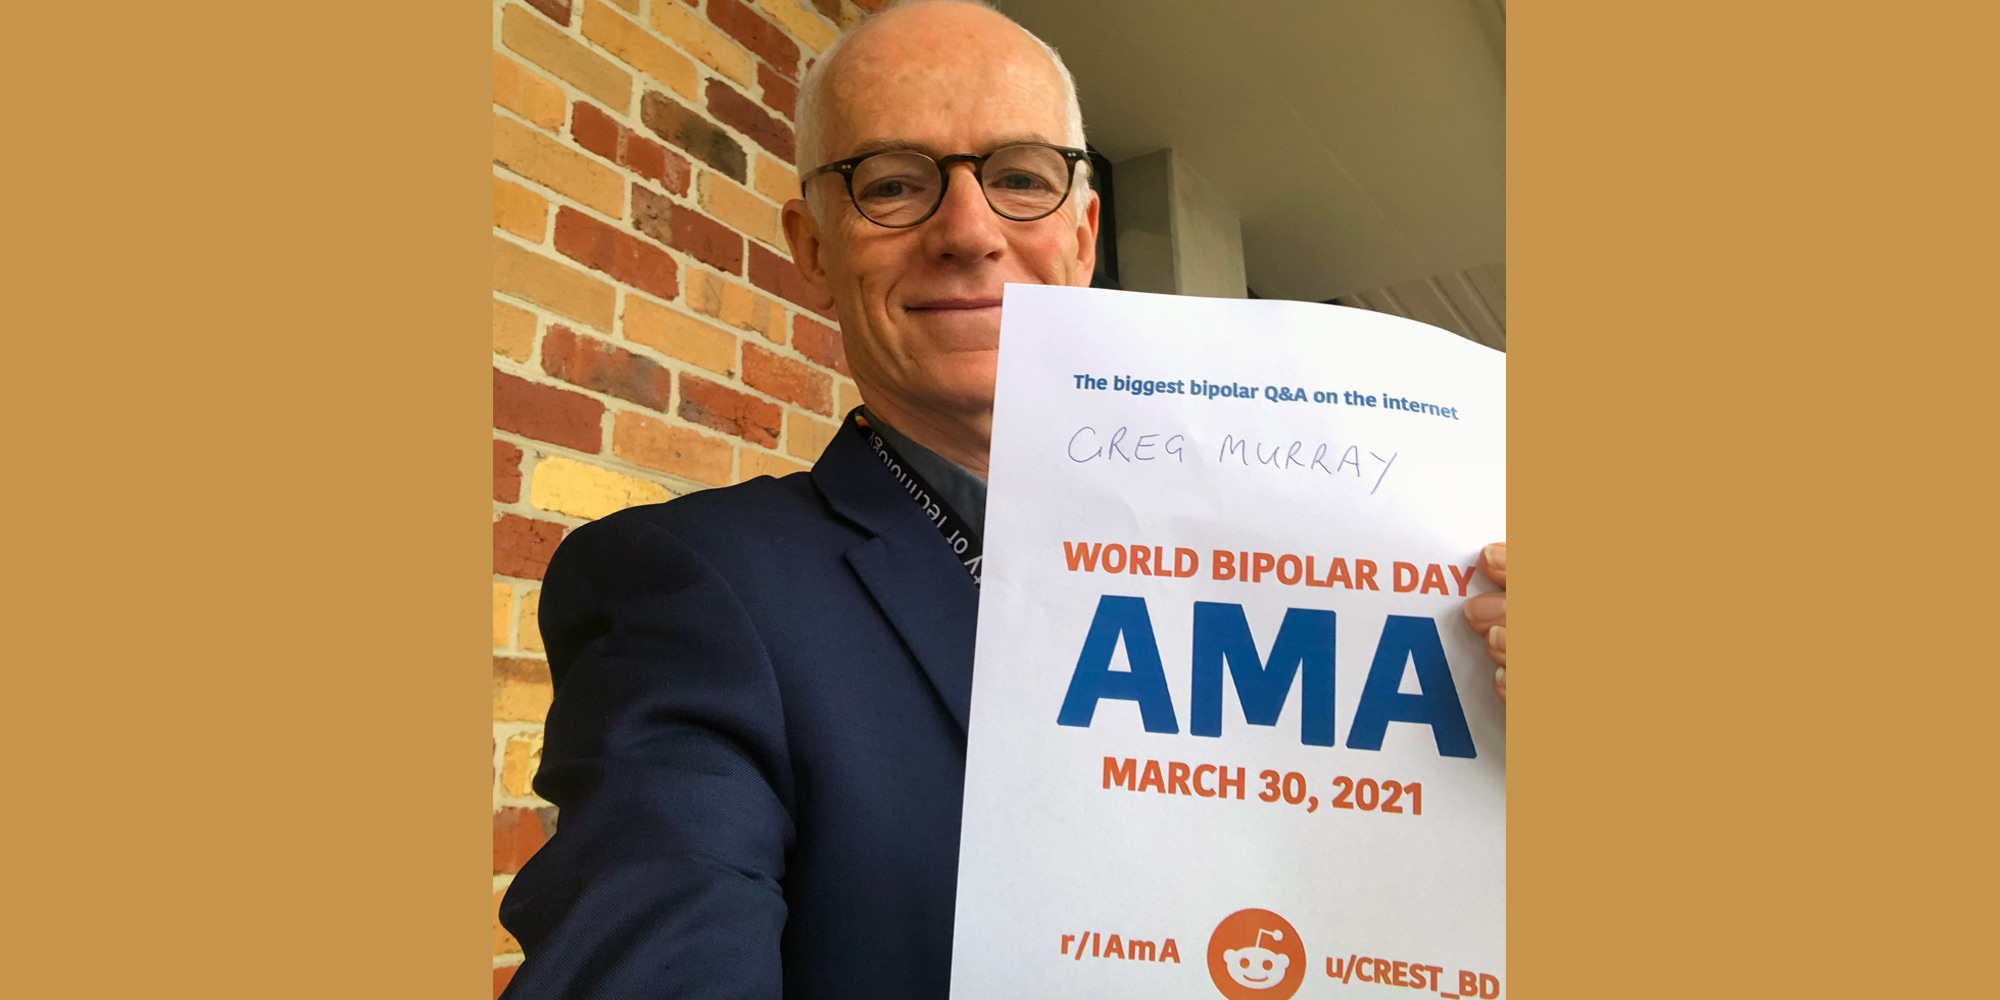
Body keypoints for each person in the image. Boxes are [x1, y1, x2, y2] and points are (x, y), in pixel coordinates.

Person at [497, 2, 1508, 997]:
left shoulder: (1370, 573)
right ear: (811, 245)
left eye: (1020, 178)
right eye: (892, 183)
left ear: (1081, 234)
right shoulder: (692, 588)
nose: (968, 231)